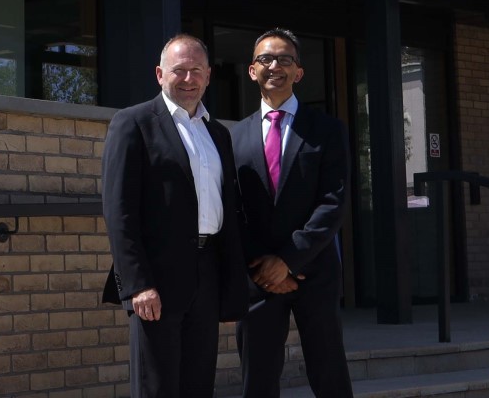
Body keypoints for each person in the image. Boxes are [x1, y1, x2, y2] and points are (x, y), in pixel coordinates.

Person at [101, 34, 248, 398]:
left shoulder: (218, 134)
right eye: (178, 70)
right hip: (158, 281)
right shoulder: (133, 123)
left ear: (209, 76)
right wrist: (137, 284)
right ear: (159, 74)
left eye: (195, 70)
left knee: (199, 385)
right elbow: (119, 211)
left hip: (208, 273)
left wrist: (231, 284)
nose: (187, 79)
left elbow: (228, 209)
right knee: (158, 387)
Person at [230, 28, 353, 397]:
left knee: (328, 371)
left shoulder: (327, 130)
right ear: (252, 71)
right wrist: (264, 264)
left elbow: (333, 202)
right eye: (266, 59)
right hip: (258, 277)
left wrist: (288, 260)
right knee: (259, 377)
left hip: (314, 270)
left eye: (285, 59)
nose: (275, 66)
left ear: (299, 72)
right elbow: (233, 209)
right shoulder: (234, 137)